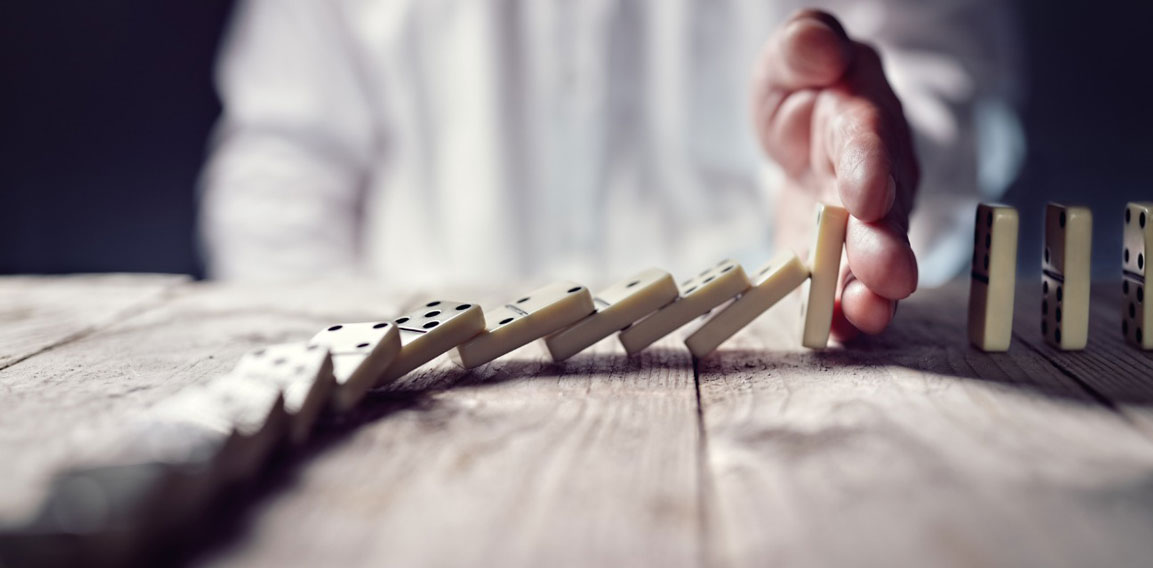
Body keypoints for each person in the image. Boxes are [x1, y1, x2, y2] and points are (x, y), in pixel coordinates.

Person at [198, 1, 1023, 339]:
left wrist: (876, 174)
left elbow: (941, 77)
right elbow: (280, 171)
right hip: (405, 395)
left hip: (764, 383)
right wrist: (351, 372)